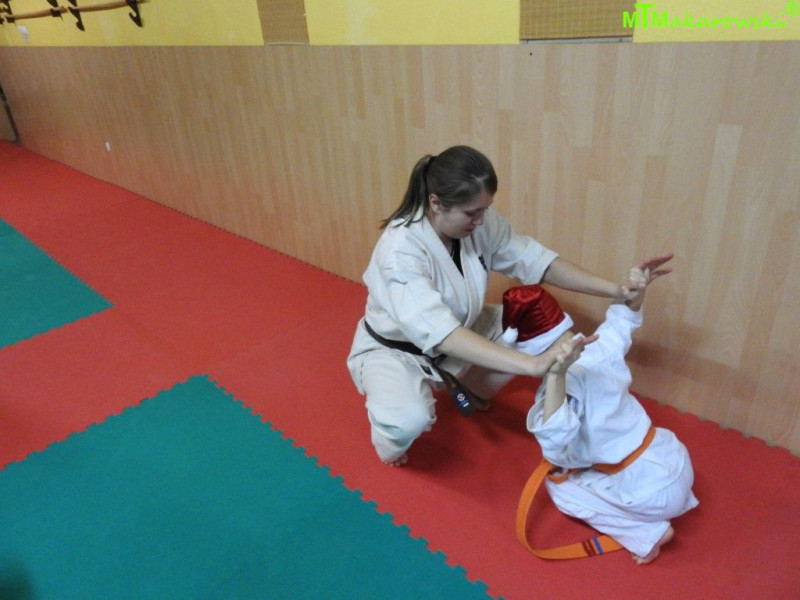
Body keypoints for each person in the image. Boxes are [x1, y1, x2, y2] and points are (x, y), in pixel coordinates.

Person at [346, 144, 667, 467]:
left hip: (463, 327)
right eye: (471, 213)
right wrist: (531, 365)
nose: (480, 221)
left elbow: (538, 262)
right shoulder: (400, 252)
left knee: (536, 313)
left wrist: (616, 289)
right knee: (409, 421)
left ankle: (475, 388)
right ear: (436, 203)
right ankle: (389, 442)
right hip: (397, 351)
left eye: (485, 210)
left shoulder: (477, 222)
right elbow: (442, 335)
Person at [502, 256, 698, 564]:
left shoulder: (558, 389)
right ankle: (659, 507)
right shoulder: (598, 347)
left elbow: (557, 449)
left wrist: (555, 377)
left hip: (651, 495)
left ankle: (646, 534)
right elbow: (622, 320)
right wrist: (637, 291)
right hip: (676, 460)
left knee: (560, 487)